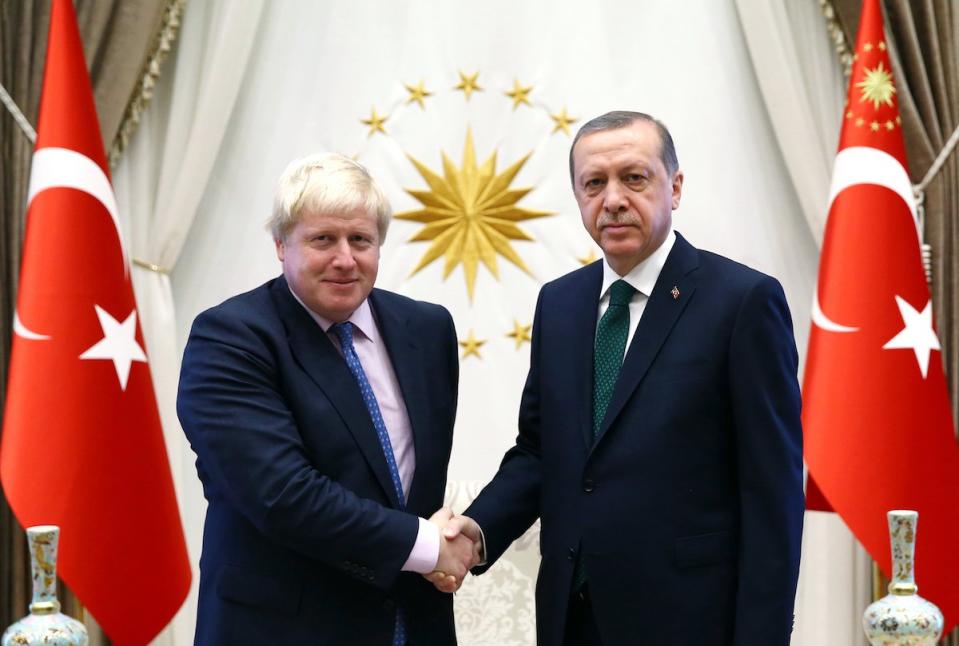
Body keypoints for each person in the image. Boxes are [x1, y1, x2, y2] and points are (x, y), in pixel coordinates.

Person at [433, 111, 804, 645]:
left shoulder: (743, 302)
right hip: (572, 618)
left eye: (634, 178)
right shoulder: (559, 304)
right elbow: (541, 452)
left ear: (674, 187)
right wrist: (477, 530)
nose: (612, 199)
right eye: (593, 183)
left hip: (692, 622)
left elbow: (772, 494)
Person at [178, 153, 477, 645]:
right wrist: (428, 545)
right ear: (281, 244)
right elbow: (283, 494)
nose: (345, 259)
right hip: (284, 628)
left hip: (413, 623)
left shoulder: (427, 329)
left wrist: (457, 539)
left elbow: (412, 484)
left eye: (360, 239)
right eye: (323, 239)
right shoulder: (230, 338)